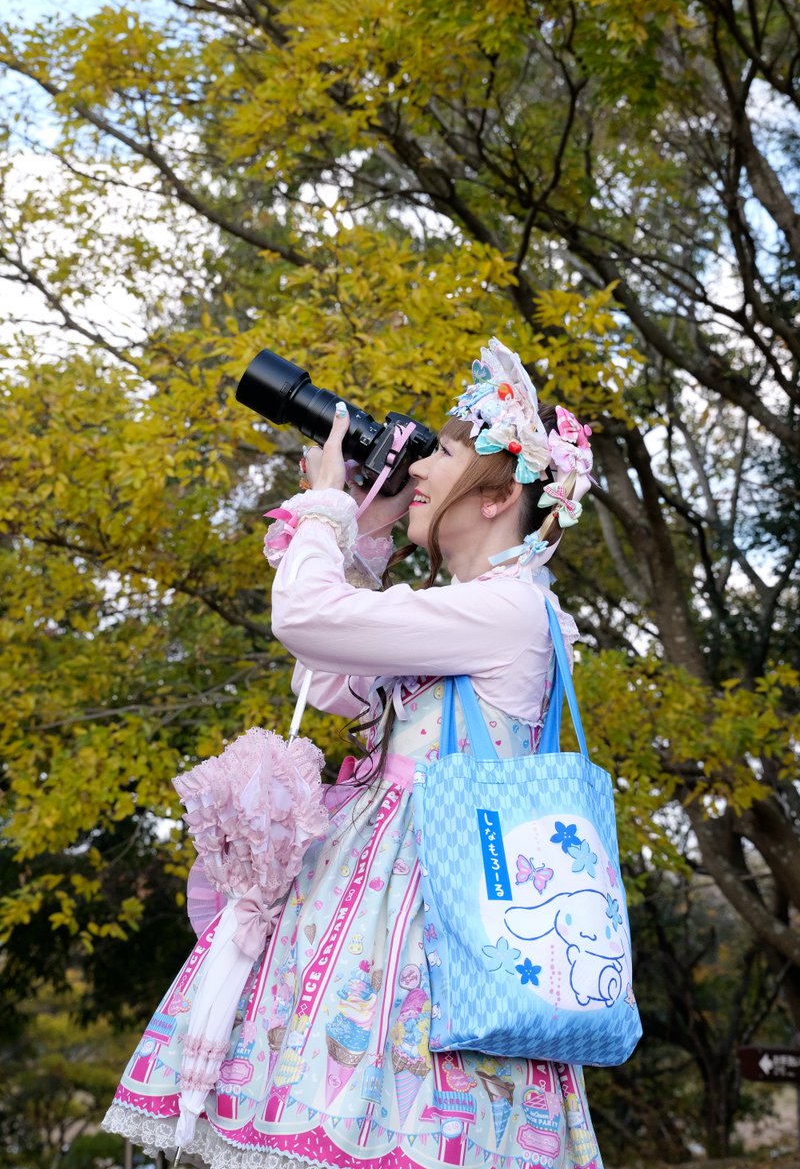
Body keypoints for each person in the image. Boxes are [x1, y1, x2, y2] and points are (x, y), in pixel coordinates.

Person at [104, 337, 602, 1169]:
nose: (417, 470)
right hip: (377, 887)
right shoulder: (469, 609)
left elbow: (305, 619)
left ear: (494, 498)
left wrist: (328, 511)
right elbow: (330, 676)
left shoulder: (511, 609)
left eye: (440, 454)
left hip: (425, 903)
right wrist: (363, 537)